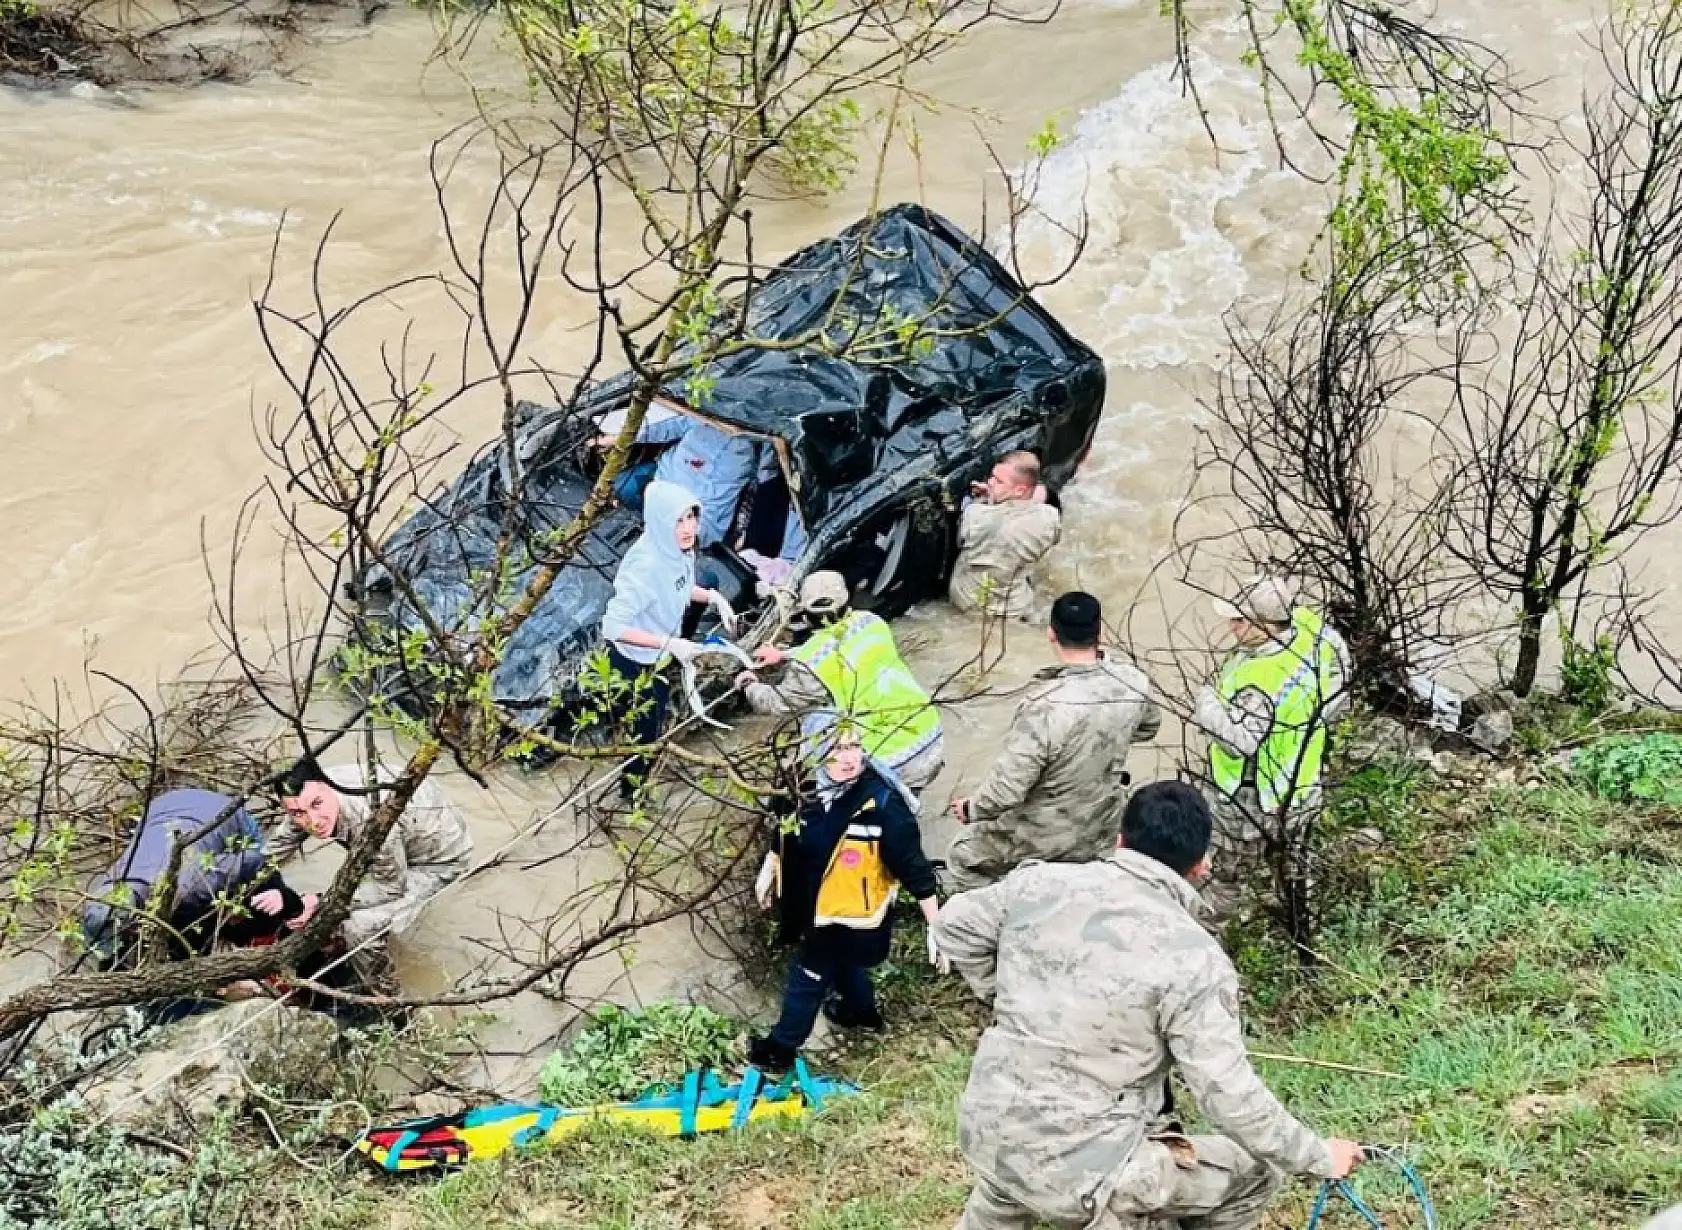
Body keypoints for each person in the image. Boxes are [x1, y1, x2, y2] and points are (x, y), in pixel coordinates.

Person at [933, 781, 1365, 1230]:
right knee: (1256, 1172)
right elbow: (1230, 1098)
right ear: (1201, 866)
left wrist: (1000, 996)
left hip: (988, 1132)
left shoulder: (1037, 883)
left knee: (1010, 1185)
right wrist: (1318, 1155)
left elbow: (952, 926)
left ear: (1120, 841)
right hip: (1088, 1171)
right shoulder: (1195, 959)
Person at [745, 725, 944, 1072]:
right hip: (812, 907)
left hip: (852, 916)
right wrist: (770, 868)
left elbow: (914, 867)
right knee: (843, 962)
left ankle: (778, 1050)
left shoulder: (882, 804)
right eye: (836, 748)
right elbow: (785, 831)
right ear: (815, 750)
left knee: (806, 979)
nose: (849, 758)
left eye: (854, 747)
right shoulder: (801, 787)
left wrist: (937, 925)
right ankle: (861, 1013)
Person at [943, 591, 1160, 892]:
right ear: (1101, 633)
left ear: (1050, 634)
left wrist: (971, 809)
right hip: (1102, 823)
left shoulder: (1043, 707)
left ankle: (981, 929)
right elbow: (1149, 728)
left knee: (964, 857)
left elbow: (1006, 792)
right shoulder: (1132, 680)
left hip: (1046, 832)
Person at [1191, 575, 1351, 928]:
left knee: (1225, 874)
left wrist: (1206, 703)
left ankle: (1206, 932)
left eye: (1240, 620)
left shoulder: (1260, 681)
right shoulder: (1315, 632)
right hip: (1303, 784)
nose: (1231, 627)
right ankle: (1300, 922)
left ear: (1265, 625)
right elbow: (1341, 697)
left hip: (1252, 797)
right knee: (1296, 861)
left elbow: (1238, 744)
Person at [269, 757, 474, 987]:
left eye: (317, 805)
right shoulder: (305, 793)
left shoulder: (371, 818)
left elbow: (390, 888)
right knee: (347, 899)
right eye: (297, 813)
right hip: (405, 837)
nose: (312, 822)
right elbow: (274, 850)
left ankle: (387, 999)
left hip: (437, 860)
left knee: (358, 928)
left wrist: (320, 902)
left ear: (329, 786)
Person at [733, 570, 945, 792]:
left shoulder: (809, 665)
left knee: (817, 724)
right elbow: (837, 645)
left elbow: (779, 702)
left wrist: (749, 685)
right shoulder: (872, 621)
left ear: (805, 617)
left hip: (894, 758)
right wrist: (785, 655)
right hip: (931, 734)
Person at [598, 479, 738, 795]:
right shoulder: (645, 567)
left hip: (661, 650)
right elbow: (613, 626)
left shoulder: (678, 550)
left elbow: (678, 586)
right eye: (678, 520)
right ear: (661, 522)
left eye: (692, 517)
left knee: (651, 717)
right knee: (643, 734)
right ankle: (630, 794)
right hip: (634, 661)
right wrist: (670, 644)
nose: (689, 528)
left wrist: (714, 599)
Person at [82, 787, 286, 967]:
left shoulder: (190, 884)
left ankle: (278, 931)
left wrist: (279, 895)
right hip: (164, 807)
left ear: (138, 921)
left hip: (224, 813)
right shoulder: (110, 884)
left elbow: (254, 861)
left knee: (254, 902)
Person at [596, 403, 776, 550]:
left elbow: (767, 483)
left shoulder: (761, 445)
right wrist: (617, 438)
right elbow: (667, 426)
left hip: (700, 510)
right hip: (662, 483)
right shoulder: (707, 411)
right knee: (619, 488)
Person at [948, 450, 1062, 621]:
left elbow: (961, 541)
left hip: (969, 604)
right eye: (992, 477)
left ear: (1019, 490)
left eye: (999, 481)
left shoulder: (975, 514)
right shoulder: (1050, 518)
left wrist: (985, 500)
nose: (990, 482)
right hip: (1015, 608)